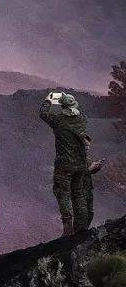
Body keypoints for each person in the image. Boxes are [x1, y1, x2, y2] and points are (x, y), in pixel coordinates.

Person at [40, 92, 103, 235]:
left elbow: (43, 113)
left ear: (62, 107)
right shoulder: (82, 119)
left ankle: (68, 228)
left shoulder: (58, 121)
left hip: (64, 165)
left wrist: (49, 99)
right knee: (78, 194)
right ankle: (81, 228)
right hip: (81, 165)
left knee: (63, 194)